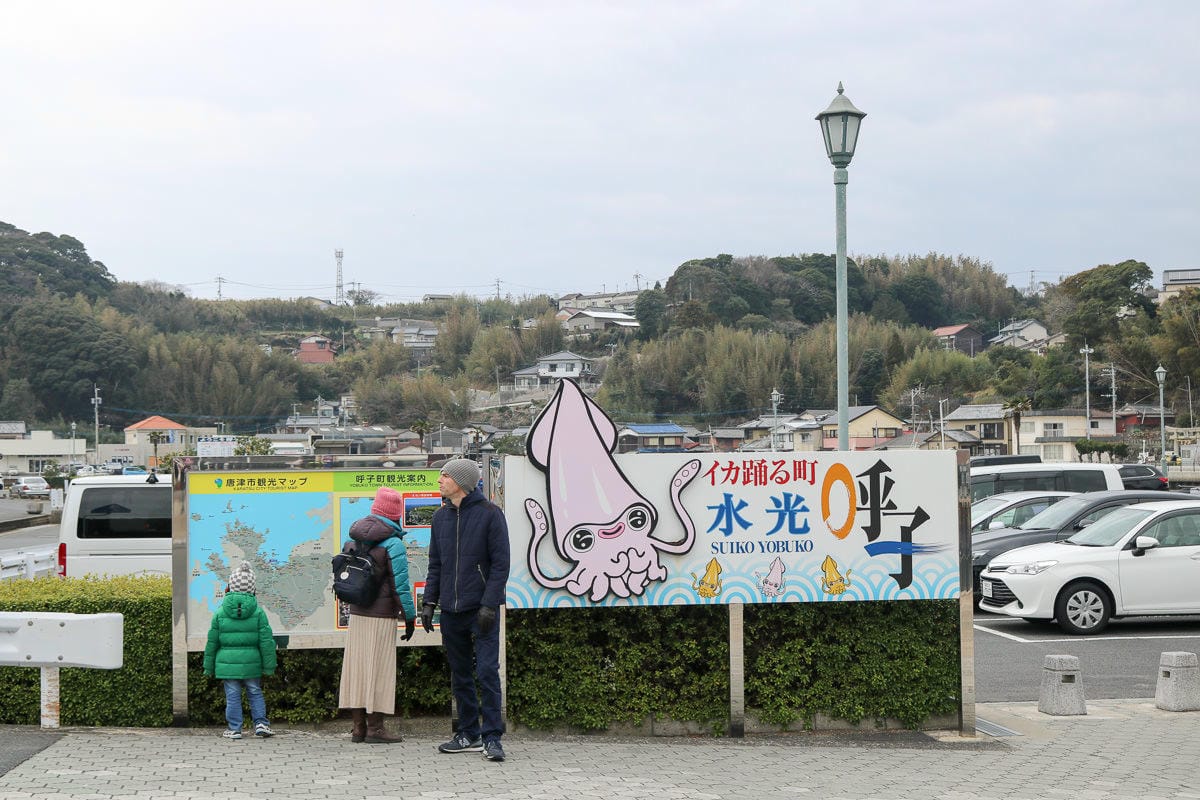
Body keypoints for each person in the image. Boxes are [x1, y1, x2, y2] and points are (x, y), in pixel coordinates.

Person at [421, 458, 511, 762]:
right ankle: (468, 732)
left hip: (481, 609)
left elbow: (500, 564)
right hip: (451, 609)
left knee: (487, 672)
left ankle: (493, 737)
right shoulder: (440, 518)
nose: (440, 480)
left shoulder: (490, 515)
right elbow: (436, 565)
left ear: (461, 481)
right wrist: (429, 602)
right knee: (460, 674)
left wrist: (489, 603)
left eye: (445, 475)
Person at [337, 485, 416, 744]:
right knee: (379, 669)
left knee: (357, 669)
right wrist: (410, 617)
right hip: (382, 617)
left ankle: (358, 729)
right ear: (396, 514)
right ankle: (376, 729)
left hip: (358, 614)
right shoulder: (393, 543)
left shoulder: (354, 539)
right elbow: (400, 586)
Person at [203, 561, 277, 740]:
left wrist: (208, 667)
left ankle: (235, 729)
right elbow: (266, 642)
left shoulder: (220, 612)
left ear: (230, 586)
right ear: (252, 588)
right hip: (252, 663)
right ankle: (261, 724)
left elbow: (212, 642)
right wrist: (269, 666)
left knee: (233, 696)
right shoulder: (258, 612)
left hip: (227, 665)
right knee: (255, 691)